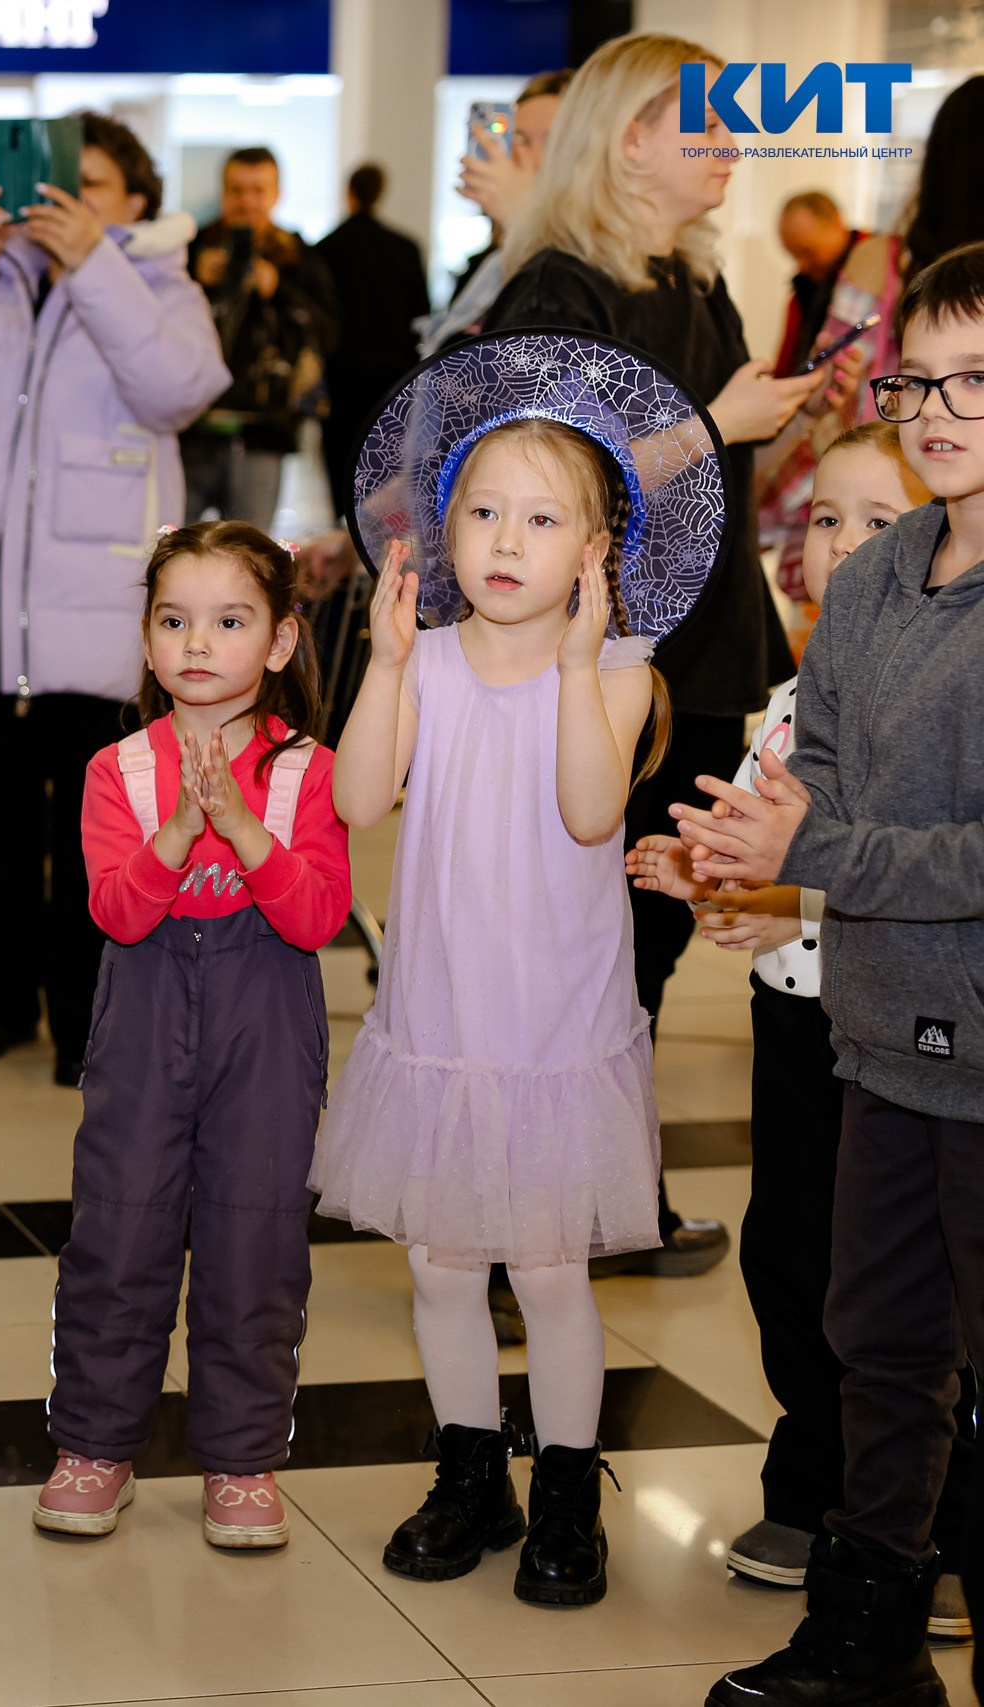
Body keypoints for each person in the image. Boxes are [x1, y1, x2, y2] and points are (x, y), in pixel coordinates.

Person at [316, 382, 690, 1607]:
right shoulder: (421, 657)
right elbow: (360, 800)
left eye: (540, 522)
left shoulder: (620, 674)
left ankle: (569, 1490)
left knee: (543, 1268)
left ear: (595, 554)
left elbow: (589, 809)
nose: (505, 543)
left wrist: (580, 667)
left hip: (549, 1025)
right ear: (442, 535)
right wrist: (378, 665)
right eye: (483, 514)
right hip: (437, 1016)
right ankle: (469, 1470)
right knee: (436, 1263)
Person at [687, 242, 984, 1707]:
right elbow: (813, 774)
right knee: (880, 1339)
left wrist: (824, 851)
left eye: (975, 380)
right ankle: (865, 1632)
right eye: (916, 377)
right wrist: (747, 842)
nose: (936, 409)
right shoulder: (874, 575)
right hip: (876, 1032)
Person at [481, 31, 826, 1278]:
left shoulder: (689, 278)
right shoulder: (559, 289)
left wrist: (766, 426)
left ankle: (601, 1191)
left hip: (708, 652)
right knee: (586, 938)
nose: (733, 147)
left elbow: (706, 465)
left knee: (650, 930)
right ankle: (545, 1211)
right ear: (632, 141)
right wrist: (715, 424)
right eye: (708, 127)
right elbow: (540, 484)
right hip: (601, 662)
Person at [630, 421, 972, 1646]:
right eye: (824, 518)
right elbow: (773, 846)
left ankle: (933, 1529)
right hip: (796, 1007)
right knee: (796, 1258)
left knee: (913, 1285)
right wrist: (714, 877)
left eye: (876, 521)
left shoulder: (934, 682)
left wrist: (783, 883)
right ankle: (820, 1485)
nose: (841, 544)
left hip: (898, 1013)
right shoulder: (788, 694)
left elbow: (879, 853)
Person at [0, 111, 226, 1084]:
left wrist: (92, 267)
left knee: (92, 825)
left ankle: (84, 1014)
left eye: (94, 189)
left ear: (138, 204)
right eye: (54, 187)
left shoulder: (159, 284)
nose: (63, 207)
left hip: (100, 605)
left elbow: (178, 389)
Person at [34, 522, 350, 1549]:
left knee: (254, 1234)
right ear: (146, 638)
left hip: (265, 1010)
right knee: (116, 1227)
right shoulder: (116, 768)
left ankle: (244, 1457)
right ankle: (93, 1443)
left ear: (279, 641)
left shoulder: (310, 772)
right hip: (144, 1010)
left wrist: (246, 831)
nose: (198, 643)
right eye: (174, 621)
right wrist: (179, 825)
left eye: (228, 621)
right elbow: (118, 914)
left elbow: (313, 921)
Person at [757, 77, 984, 603]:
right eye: (915, 377)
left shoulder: (881, 262)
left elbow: (833, 390)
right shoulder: (878, 262)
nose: (936, 406)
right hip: (883, 526)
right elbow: (832, 382)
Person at [182, 147, 337, 532]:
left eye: (257, 190)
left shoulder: (297, 257)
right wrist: (190, 279)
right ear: (222, 192)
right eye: (236, 190)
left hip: (264, 432)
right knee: (173, 546)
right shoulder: (192, 249)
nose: (247, 201)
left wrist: (278, 288)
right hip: (191, 428)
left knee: (247, 554)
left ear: (276, 194)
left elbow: (329, 333)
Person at [422, 70, 570, 359]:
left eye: (553, 142)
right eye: (520, 139)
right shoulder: (491, 263)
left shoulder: (585, 266)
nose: (526, 156)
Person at [314, 163, 431, 516]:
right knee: (385, 467)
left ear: (349, 193)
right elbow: (421, 315)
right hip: (394, 379)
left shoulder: (327, 248)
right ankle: (376, 544)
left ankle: (344, 529)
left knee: (342, 464)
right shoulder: (405, 248)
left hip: (342, 377)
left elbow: (321, 319)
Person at [774, 192, 866, 379]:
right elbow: (786, 365)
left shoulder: (880, 265)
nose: (802, 265)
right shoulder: (805, 288)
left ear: (837, 224)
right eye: (793, 255)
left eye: (807, 252)